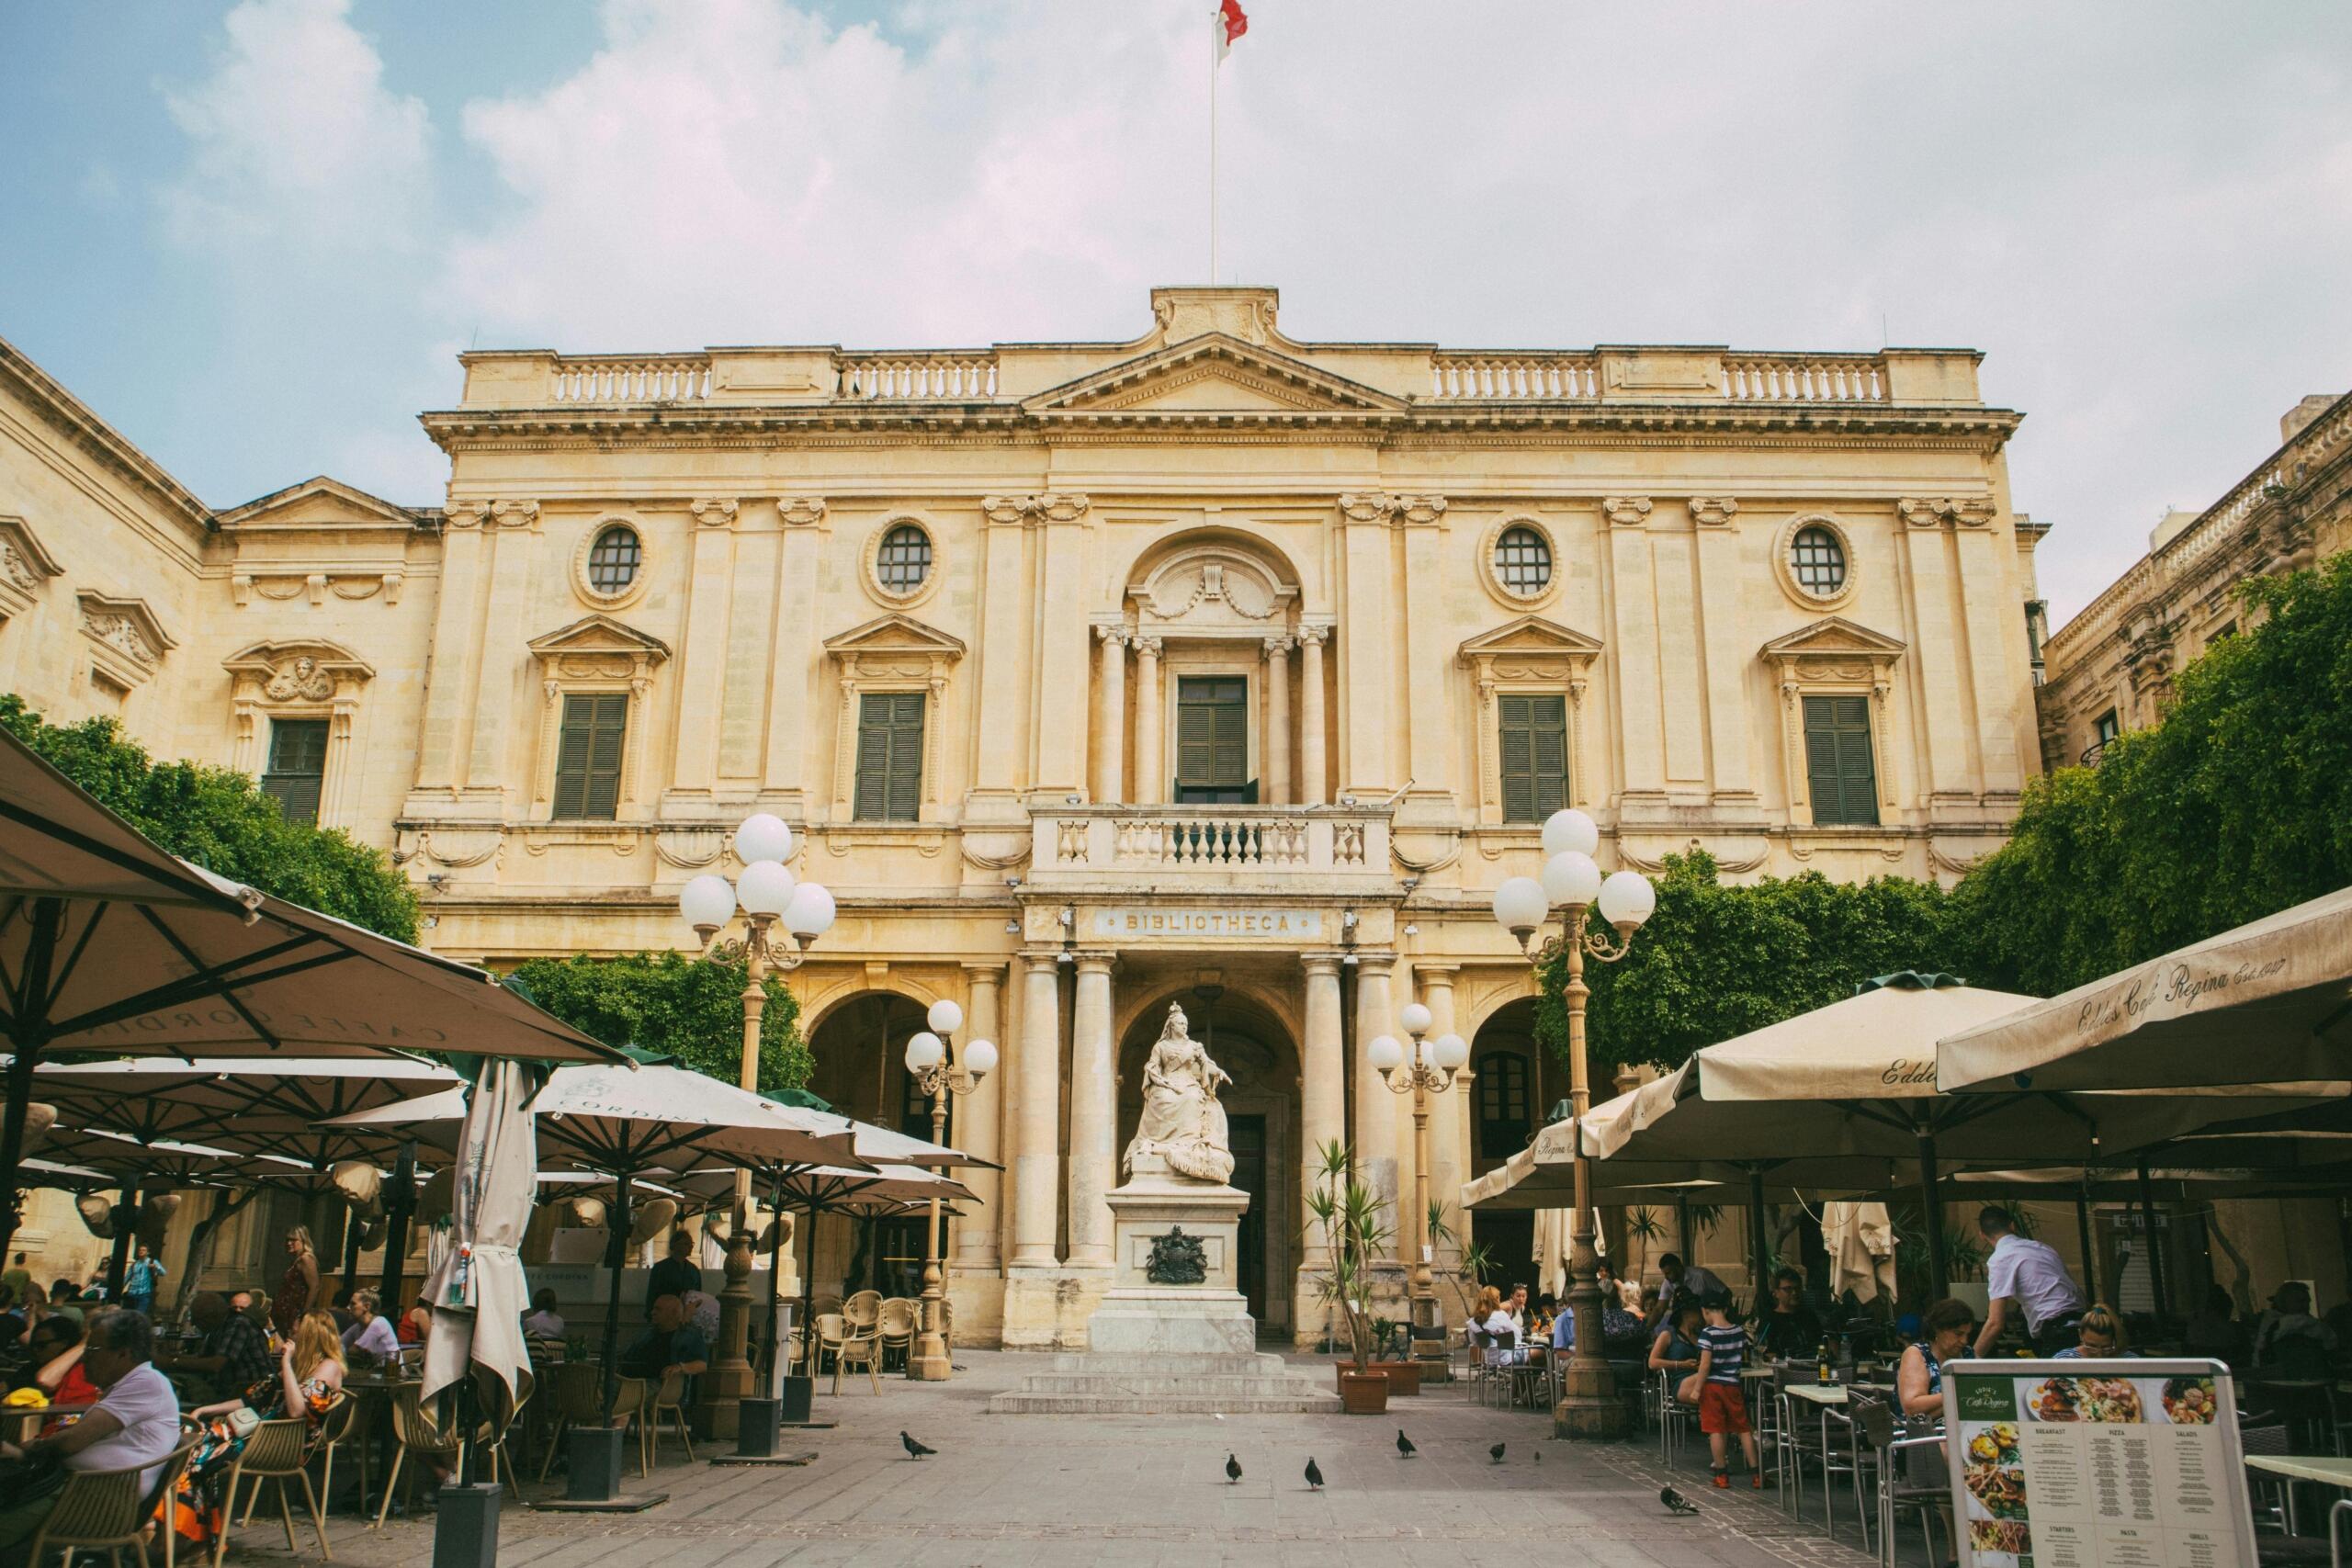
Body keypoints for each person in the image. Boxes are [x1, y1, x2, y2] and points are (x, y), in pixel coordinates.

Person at [0, 1309, 182, 1560]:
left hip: (91, 1500)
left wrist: (28, 1449)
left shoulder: (146, 1382)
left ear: (123, 1353)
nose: (84, 1358)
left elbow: (73, 1441)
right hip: (78, 1491)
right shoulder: (130, 1384)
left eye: (92, 1350)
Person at [172, 1310, 345, 1552]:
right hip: (254, 1434)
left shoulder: (329, 1367)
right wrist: (206, 1409)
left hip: (278, 1445)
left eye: (295, 1328)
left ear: (308, 1334)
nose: (290, 1333)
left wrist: (286, 1365)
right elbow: (249, 1400)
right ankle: (185, 1531)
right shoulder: (300, 1365)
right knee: (184, 1445)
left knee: (194, 1453)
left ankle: (185, 1534)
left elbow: (296, 1411)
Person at [1973, 1207, 2085, 1357]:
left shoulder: (2000, 1258)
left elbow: (1995, 1324)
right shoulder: (2044, 1248)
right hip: (2085, 1327)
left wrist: (1965, 1363)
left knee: (2057, 1381)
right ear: (2012, 1226)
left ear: (1982, 1235)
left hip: (2057, 1333)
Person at [1693, 1292, 1764, 1489]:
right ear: (1725, 1309)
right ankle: (1757, 1474)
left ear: (1705, 1311)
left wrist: (1697, 1389)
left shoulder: (1707, 1334)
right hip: (1733, 1385)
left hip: (1712, 1386)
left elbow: (1705, 1365)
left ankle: (1721, 1474)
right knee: (1743, 1428)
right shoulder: (1738, 1331)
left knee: (1715, 1429)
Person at [161, 1291, 275, 1405]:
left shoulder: (238, 1324)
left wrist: (173, 1362)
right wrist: (174, 1357)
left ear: (211, 1317)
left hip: (251, 1392)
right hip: (232, 1390)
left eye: (199, 1320)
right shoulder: (219, 1328)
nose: (195, 1324)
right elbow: (203, 1358)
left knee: (182, 1384)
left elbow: (216, 1364)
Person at [1899, 1298, 1976, 1418]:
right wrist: (1959, 1394)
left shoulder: (1967, 1353)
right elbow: (1912, 1408)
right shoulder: (1917, 1354)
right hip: (1924, 1434)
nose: (1964, 1341)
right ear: (1937, 1329)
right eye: (1958, 1334)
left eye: (1967, 1335)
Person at [620, 1292, 708, 1386]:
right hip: (629, 1382)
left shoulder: (688, 1335)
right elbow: (627, 1355)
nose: (652, 1312)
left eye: (658, 1309)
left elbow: (702, 1364)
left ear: (674, 1313)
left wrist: (680, 1367)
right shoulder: (647, 1334)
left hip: (659, 1386)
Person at [2251, 1281, 2337, 1373]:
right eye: (2300, 1301)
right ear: (2284, 1302)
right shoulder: (2285, 1323)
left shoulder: (2272, 1321)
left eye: (2307, 1301)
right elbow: (2330, 1339)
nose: (2306, 1306)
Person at [1753, 1266, 1824, 1360]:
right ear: (1776, 1293)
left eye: (1797, 1288)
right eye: (1788, 1289)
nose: (1794, 1293)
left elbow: (1822, 1344)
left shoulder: (1809, 1316)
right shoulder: (1769, 1320)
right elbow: (1766, 1352)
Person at [1648, 1253, 1723, 1330]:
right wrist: (1647, 1329)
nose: (1666, 1277)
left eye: (1668, 1273)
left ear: (1678, 1267)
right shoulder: (1668, 1282)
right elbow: (1659, 1309)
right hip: (1686, 1324)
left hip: (1710, 1321)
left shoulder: (1702, 1275)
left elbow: (1726, 1293)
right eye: (1664, 1274)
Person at [271, 1227, 319, 1341]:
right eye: (287, 1240)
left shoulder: (306, 1259)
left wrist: (303, 1315)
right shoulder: (295, 1260)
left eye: (293, 1240)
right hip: (284, 1313)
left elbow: (315, 1287)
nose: (289, 1243)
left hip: (295, 1314)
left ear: (303, 1241)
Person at [2183, 1286, 2248, 1367]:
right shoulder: (2234, 1329)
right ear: (2227, 1309)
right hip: (2232, 1371)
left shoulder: (2193, 1327)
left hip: (2201, 1370)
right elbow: (2245, 1356)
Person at [1646, 1299, 1704, 1383]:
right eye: (1697, 1312)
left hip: (1701, 1376)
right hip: (1680, 1378)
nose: (1701, 1315)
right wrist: (1682, 1365)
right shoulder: (1667, 1335)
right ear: (1686, 1314)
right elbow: (1652, 1363)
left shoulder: (1701, 1336)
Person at [338, 1289, 400, 1366]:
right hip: (376, 1373)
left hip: (394, 1374)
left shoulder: (379, 1323)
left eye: (353, 1304)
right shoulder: (358, 1327)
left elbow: (355, 1351)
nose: (348, 1307)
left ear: (367, 1307)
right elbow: (338, 1344)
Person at [2052, 1302, 2132, 1359]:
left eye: (2106, 1348)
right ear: (2080, 1335)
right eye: (2091, 1346)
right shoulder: (2065, 1359)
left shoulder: (2129, 1361)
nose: (2099, 1355)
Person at [648, 1228, 702, 1309]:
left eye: (692, 1244)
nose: (691, 1246)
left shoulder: (694, 1270)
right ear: (675, 1245)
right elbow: (652, 1294)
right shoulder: (661, 1268)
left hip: (686, 1314)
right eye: (686, 1243)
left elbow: (698, 1294)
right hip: (666, 1311)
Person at [1471, 1285, 1522, 1366]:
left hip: (1489, 1361)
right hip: (1508, 1359)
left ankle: (1521, 1378)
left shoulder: (1473, 1321)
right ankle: (1526, 1378)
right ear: (1496, 1300)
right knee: (1542, 1353)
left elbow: (1474, 1343)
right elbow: (1518, 1335)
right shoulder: (1500, 1315)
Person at [121, 1247, 164, 1319]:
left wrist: (156, 1267)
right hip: (132, 1292)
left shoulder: (152, 1262)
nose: (141, 1251)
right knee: (129, 1314)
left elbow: (163, 1273)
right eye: (140, 1250)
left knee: (140, 1314)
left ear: (148, 1252)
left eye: (143, 1250)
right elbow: (127, 1277)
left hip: (144, 1292)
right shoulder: (135, 1264)